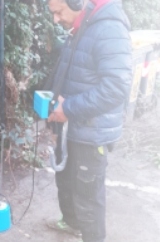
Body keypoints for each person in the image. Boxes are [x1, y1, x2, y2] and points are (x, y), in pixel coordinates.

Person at [45, 0, 132, 241]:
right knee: (65, 182)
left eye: (58, 12)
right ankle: (72, 224)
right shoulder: (82, 25)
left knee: (88, 196)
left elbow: (116, 88)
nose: (56, 19)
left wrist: (69, 109)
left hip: (91, 132)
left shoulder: (109, 29)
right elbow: (70, 75)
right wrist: (54, 121)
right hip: (69, 126)